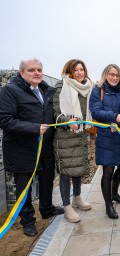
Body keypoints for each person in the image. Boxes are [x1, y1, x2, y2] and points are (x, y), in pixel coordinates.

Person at [0, 59, 64, 237]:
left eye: (39, 70)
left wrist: (65, 123)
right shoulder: (10, 91)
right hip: (21, 150)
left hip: (44, 148)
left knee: (46, 180)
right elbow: (5, 120)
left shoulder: (45, 91)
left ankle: (47, 209)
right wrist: (34, 128)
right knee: (24, 187)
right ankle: (27, 221)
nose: (36, 73)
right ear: (21, 73)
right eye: (31, 70)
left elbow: (50, 116)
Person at [53, 59, 93, 223]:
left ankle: (77, 197)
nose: (79, 73)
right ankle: (67, 206)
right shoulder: (62, 87)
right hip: (65, 136)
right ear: (69, 72)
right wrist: (67, 121)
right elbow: (55, 113)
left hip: (81, 134)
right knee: (66, 172)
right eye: (75, 70)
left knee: (78, 169)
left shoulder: (88, 87)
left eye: (81, 69)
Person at [90, 64, 120, 219]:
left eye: (117, 75)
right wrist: (113, 118)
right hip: (106, 137)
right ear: (105, 75)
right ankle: (108, 205)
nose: (114, 77)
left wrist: (119, 123)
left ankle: (114, 193)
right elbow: (96, 112)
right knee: (108, 172)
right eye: (111, 74)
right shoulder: (97, 90)